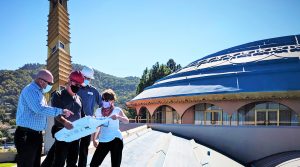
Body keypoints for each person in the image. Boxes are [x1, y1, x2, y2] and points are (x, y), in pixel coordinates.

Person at [14, 69, 74, 167]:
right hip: (26, 135)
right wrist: (61, 111)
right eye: (50, 83)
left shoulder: (39, 93)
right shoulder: (30, 90)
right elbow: (39, 109)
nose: (50, 85)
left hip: (34, 135)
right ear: (41, 81)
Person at [41, 71, 85, 167]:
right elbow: (56, 114)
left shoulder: (79, 99)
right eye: (75, 84)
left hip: (75, 134)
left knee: (72, 162)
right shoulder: (58, 95)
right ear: (69, 81)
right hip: (62, 133)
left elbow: (82, 115)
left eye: (79, 85)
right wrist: (65, 122)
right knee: (59, 162)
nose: (77, 86)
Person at [90, 89, 129, 167]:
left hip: (116, 140)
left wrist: (118, 117)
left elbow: (127, 121)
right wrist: (94, 139)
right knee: (93, 164)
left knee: (115, 164)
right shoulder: (98, 111)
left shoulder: (117, 110)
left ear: (112, 101)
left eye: (106, 100)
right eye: (103, 99)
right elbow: (97, 126)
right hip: (103, 140)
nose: (104, 101)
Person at [77, 66, 102, 167]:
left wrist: (97, 117)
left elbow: (102, 105)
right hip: (75, 123)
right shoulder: (75, 87)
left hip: (87, 124)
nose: (87, 80)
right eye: (85, 78)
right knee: (72, 149)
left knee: (84, 149)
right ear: (81, 76)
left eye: (89, 78)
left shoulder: (94, 91)